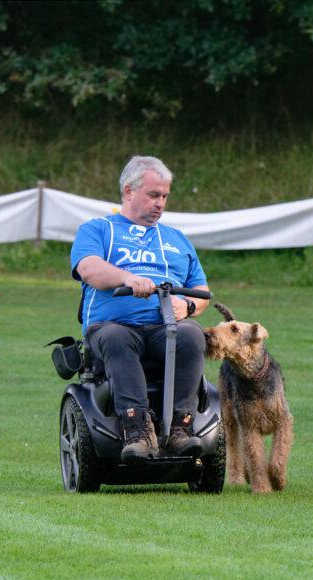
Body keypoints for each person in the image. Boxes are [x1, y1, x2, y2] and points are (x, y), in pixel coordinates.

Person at [70, 155, 211, 461]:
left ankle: (180, 430)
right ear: (128, 192)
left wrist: (187, 305)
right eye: (153, 195)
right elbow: (89, 269)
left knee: (192, 335)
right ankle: (136, 429)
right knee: (117, 338)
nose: (160, 203)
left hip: (166, 329)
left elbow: (202, 291)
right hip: (112, 327)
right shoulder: (97, 230)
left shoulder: (177, 239)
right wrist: (128, 278)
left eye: (164, 196)